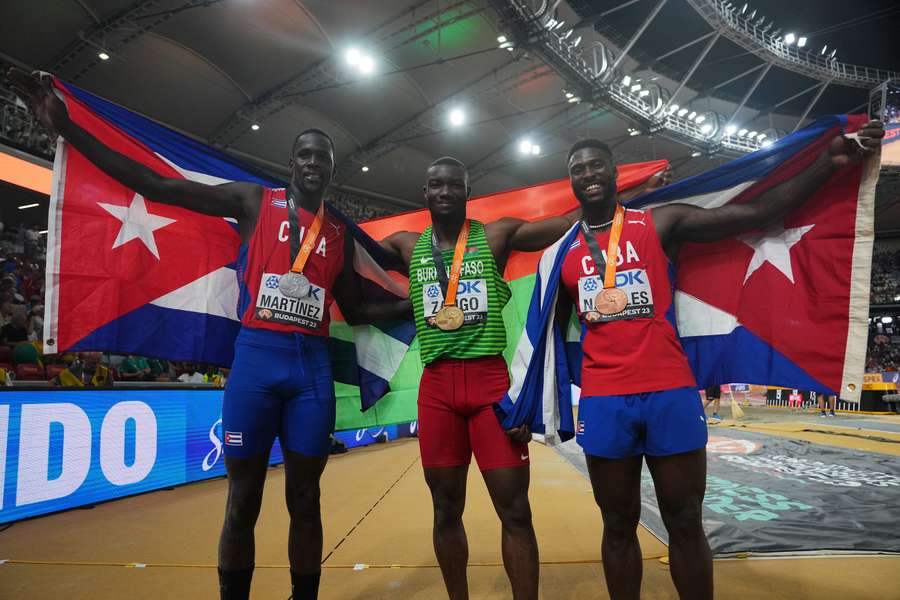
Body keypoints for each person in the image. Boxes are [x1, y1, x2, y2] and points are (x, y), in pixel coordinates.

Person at [7, 68, 408, 600]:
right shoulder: (251, 202)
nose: (313, 163)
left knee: (305, 499)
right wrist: (67, 128)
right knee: (242, 498)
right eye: (305, 154)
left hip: (310, 371)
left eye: (323, 157)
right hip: (257, 365)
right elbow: (156, 185)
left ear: (332, 170)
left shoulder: (338, 233)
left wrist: (419, 305)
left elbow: (357, 310)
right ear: (292, 164)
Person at [554, 123, 883, 600]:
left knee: (685, 518)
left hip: (669, 391)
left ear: (613, 172)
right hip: (604, 398)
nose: (587, 174)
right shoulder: (561, 250)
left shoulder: (659, 223)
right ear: (571, 182)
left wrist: (828, 162)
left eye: (595, 164)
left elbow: (757, 212)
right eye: (577, 169)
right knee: (617, 523)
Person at [376, 156, 666, 599]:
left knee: (514, 509)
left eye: (455, 185)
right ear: (425, 192)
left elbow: (571, 222)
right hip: (436, 390)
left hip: (492, 385)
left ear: (467, 191)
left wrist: (637, 187)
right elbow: (345, 257)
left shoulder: (495, 235)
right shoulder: (402, 244)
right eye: (436, 185)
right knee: (444, 508)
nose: (446, 192)